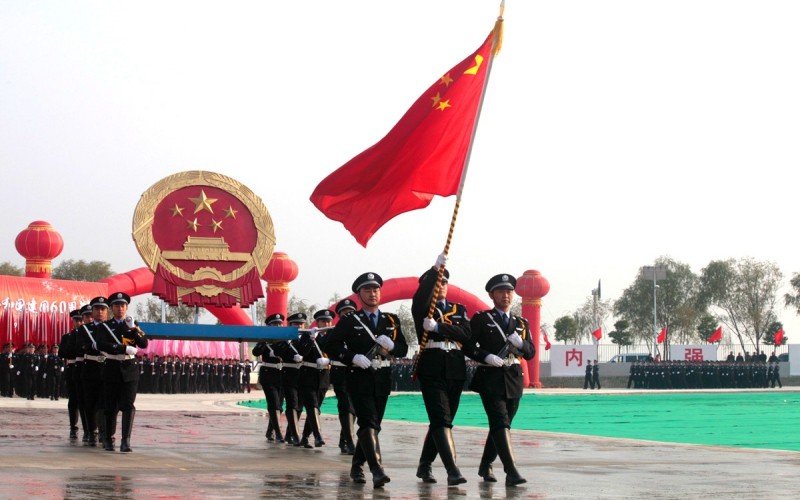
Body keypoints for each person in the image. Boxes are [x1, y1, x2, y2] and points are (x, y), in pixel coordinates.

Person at [326, 272, 409, 488]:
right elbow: (331, 345)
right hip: (358, 377)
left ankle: (356, 466)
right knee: (367, 422)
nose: (373, 294)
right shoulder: (350, 320)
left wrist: (392, 346)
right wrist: (352, 357)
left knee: (374, 425)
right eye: (367, 290)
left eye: (375, 289)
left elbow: (403, 348)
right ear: (359, 295)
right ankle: (377, 469)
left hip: (382, 378)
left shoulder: (391, 320)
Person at [467, 273, 535, 486]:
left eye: (509, 292)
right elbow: (468, 346)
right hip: (491, 378)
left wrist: (521, 344)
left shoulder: (521, 323)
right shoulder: (482, 319)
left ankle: (486, 463)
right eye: (501, 292)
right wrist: (485, 355)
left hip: (513, 378)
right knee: (500, 422)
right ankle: (511, 471)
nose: (506, 296)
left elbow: (531, 352)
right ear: (491, 295)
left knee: (502, 425)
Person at [411, 255, 473, 486]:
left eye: (444, 282)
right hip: (432, 366)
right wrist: (435, 270)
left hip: (455, 367)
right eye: (437, 283)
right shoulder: (423, 309)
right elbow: (420, 297)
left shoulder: (459, 309)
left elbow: (466, 334)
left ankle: (424, 464)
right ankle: (452, 470)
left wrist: (439, 327)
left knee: (444, 420)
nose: (441, 287)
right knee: (440, 419)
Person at [95, 292, 148, 452]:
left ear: (126, 307)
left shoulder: (132, 324)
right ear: (111, 308)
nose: (120, 308)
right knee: (110, 406)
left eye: (123, 305)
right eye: (117, 305)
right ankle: (108, 438)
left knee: (128, 405)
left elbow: (143, 344)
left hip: (130, 369)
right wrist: (122, 347)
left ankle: (126, 441)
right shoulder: (105, 326)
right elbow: (100, 345)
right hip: (111, 367)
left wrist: (134, 330)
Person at [296, 309, 334, 448]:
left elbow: (337, 353)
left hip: (323, 376)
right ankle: (318, 436)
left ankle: (305, 437)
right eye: (323, 321)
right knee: (312, 406)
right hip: (308, 375)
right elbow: (302, 352)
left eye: (328, 321)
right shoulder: (308, 336)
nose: (326, 323)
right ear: (317, 322)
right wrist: (311, 339)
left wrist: (329, 360)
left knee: (316, 408)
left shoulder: (333, 336)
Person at [253, 313, 287, 442]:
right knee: (274, 403)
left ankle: (270, 431)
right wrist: (264, 341)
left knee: (279, 404)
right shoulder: (264, 339)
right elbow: (255, 352)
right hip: (268, 373)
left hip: (282, 373)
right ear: (269, 326)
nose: (278, 326)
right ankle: (278, 433)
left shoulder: (285, 339)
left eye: (279, 323)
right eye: (275, 324)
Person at [330, 298, 357, 455]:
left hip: (357, 373)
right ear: (339, 316)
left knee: (353, 408)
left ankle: (344, 439)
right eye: (345, 312)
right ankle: (350, 441)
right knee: (346, 405)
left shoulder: (360, 330)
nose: (348, 314)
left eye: (351, 312)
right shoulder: (334, 332)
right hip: (340, 373)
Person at [280, 312, 306, 446]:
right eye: (296, 324)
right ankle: (295, 435)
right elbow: (278, 351)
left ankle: (289, 433)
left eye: (301, 324)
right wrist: (290, 356)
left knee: (300, 406)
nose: (299, 326)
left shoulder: (308, 338)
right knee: (292, 404)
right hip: (289, 372)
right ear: (290, 325)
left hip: (303, 374)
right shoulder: (285, 338)